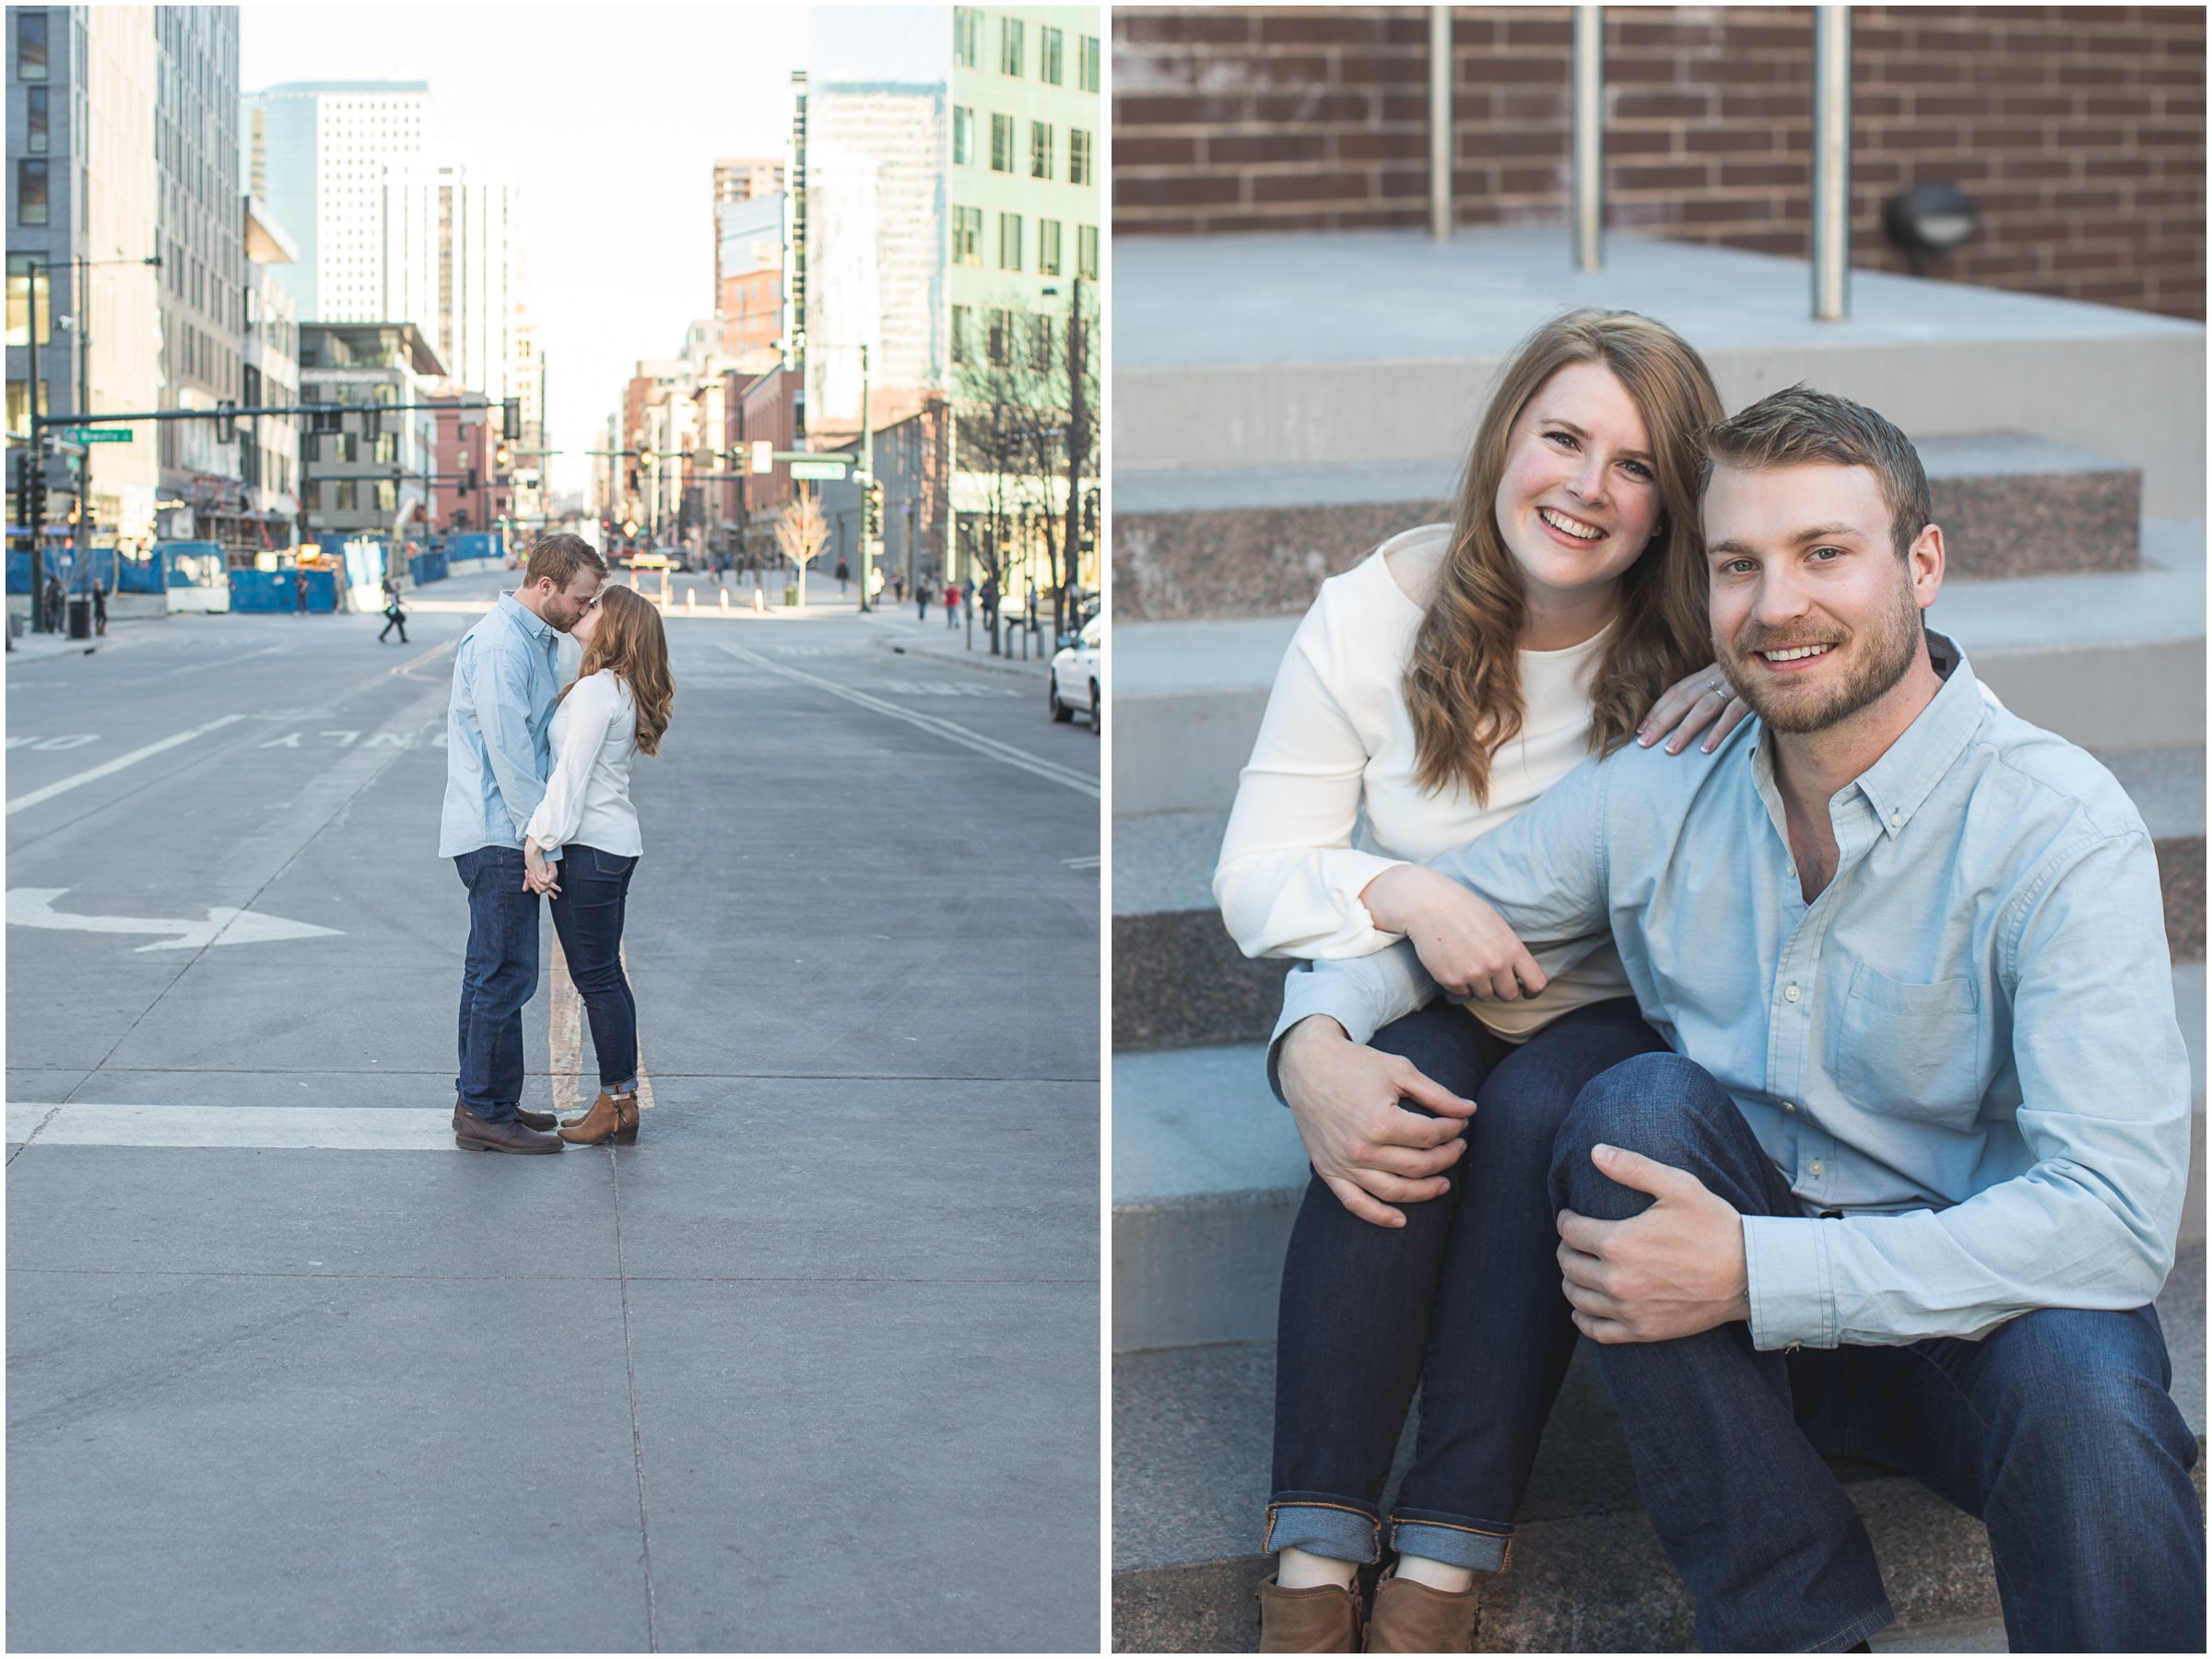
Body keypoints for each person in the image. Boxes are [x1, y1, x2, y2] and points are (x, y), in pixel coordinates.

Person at [1274, 386, 2202, 1653]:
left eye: (1826, 554)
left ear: (1922, 565)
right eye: (1738, 567)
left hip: (1970, 1315)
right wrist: (1313, 1046)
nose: (1778, 607)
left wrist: (1763, 1271)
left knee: (2094, 1402)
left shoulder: (2053, 828)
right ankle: (1794, 1627)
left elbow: (2115, 1221)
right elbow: (1438, 921)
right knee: (1626, 1116)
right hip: (1721, 1335)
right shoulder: (1662, 785)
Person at [1219, 309, 1745, 1653]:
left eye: (1634, 466)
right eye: (1562, 437)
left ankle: (1441, 1575)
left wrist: (1749, 678)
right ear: (1506, 437)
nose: (1585, 486)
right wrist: (1391, 903)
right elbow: (1258, 871)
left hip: (1615, 1008)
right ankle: (1313, 1551)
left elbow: (1889, 620)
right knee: (1406, 1107)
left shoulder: (1708, 633)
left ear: (1671, 503)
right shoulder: (1372, 615)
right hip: (1423, 984)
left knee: (1535, 1118)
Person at [439, 533, 608, 1154]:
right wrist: (539, 841)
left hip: (501, 829)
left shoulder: (531, 641)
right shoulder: (502, 646)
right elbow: (511, 754)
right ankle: (485, 1113)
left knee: (490, 972)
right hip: (499, 833)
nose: (586, 611)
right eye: (581, 600)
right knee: (506, 974)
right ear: (545, 587)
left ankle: (485, 1097)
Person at [523, 583, 673, 1147]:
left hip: (589, 848)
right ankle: (621, 1099)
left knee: (597, 978)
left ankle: (616, 1102)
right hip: (614, 846)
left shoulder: (595, 691)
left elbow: (570, 778)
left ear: (615, 627)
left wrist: (539, 841)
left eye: (595, 607)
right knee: (607, 975)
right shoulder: (622, 688)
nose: (583, 611)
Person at [378, 576, 408, 644]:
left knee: (394, 623)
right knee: (400, 621)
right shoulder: (393, 592)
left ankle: (382, 636)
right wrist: (395, 606)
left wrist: (406, 605)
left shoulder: (395, 591)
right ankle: (403, 638)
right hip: (392, 610)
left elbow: (398, 601)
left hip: (393, 609)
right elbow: (394, 601)